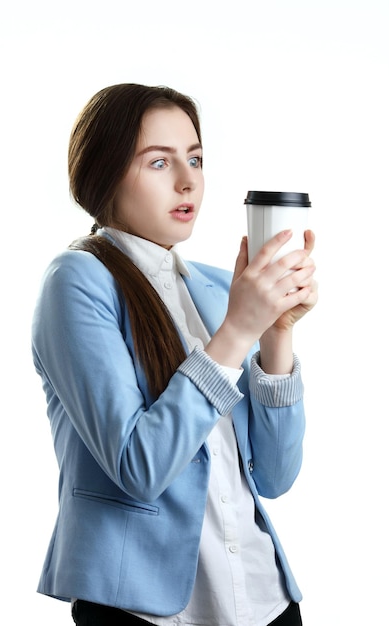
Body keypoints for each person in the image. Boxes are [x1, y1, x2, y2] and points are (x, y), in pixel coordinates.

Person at [31, 83, 318, 626]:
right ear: (104, 173)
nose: (188, 180)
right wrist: (238, 329)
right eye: (159, 162)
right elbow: (138, 466)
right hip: (145, 609)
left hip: (265, 601)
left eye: (196, 159)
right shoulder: (76, 282)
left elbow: (275, 477)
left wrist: (277, 331)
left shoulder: (214, 289)